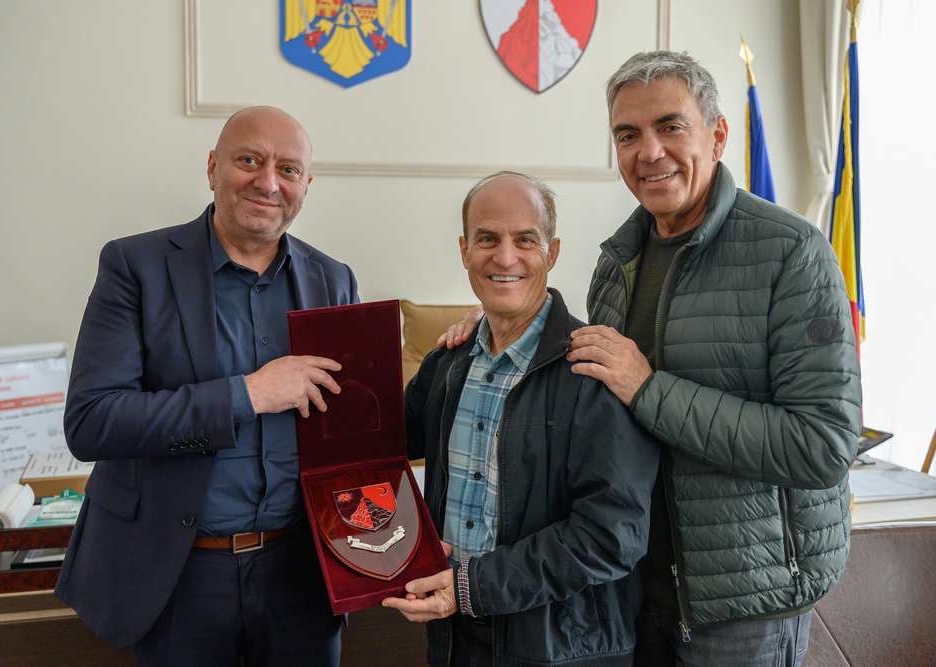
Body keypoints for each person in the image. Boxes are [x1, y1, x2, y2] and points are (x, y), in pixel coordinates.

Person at [441, 52, 861, 666]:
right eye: (628, 135)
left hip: (744, 606)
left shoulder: (791, 252)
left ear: (717, 134)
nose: (649, 152)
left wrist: (649, 388)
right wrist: (494, 327)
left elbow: (822, 447)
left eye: (670, 127)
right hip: (631, 594)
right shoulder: (616, 263)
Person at [55, 106, 358, 666]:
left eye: (289, 170)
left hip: (301, 574)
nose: (268, 182)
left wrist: (469, 335)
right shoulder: (135, 265)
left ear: (306, 186)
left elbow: (354, 424)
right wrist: (248, 394)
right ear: (213, 167)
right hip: (178, 574)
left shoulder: (333, 279)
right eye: (250, 160)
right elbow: (93, 422)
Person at [384, 172, 660, 667]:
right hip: (453, 637)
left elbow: (611, 536)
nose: (505, 257)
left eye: (525, 240)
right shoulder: (446, 363)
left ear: (552, 253)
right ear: (465, 250)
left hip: (557, 647)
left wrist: (473, 587)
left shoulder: (596, 371)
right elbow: (377, 452)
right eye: (487, 239)